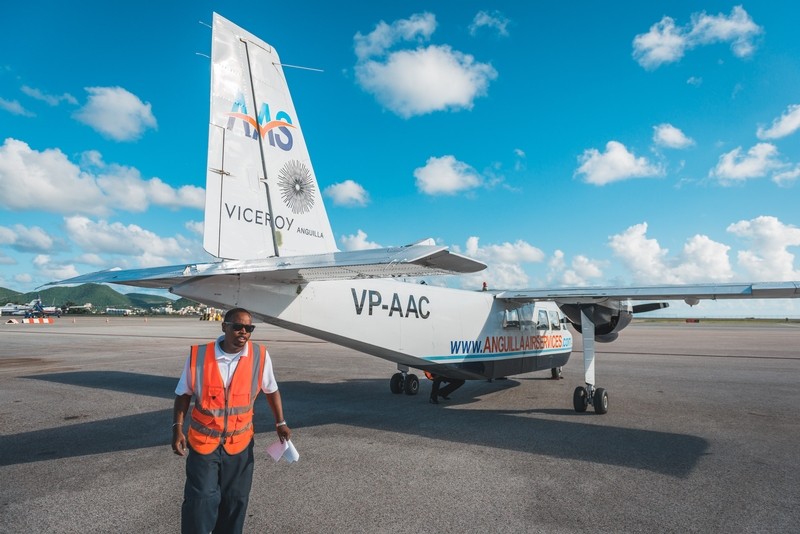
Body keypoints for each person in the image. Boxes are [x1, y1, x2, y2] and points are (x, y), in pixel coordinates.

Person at [172, 308, 290, 534]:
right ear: (224, 326)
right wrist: (177, 427)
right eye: (238, 327)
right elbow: (183, 393)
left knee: (235, 501)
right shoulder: (199, 356)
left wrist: (280, 423)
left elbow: (271, 390)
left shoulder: (260, 356)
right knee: (200, 500)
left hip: (240, 443)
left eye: (249, 328)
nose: (243, 332)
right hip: (204, 441)